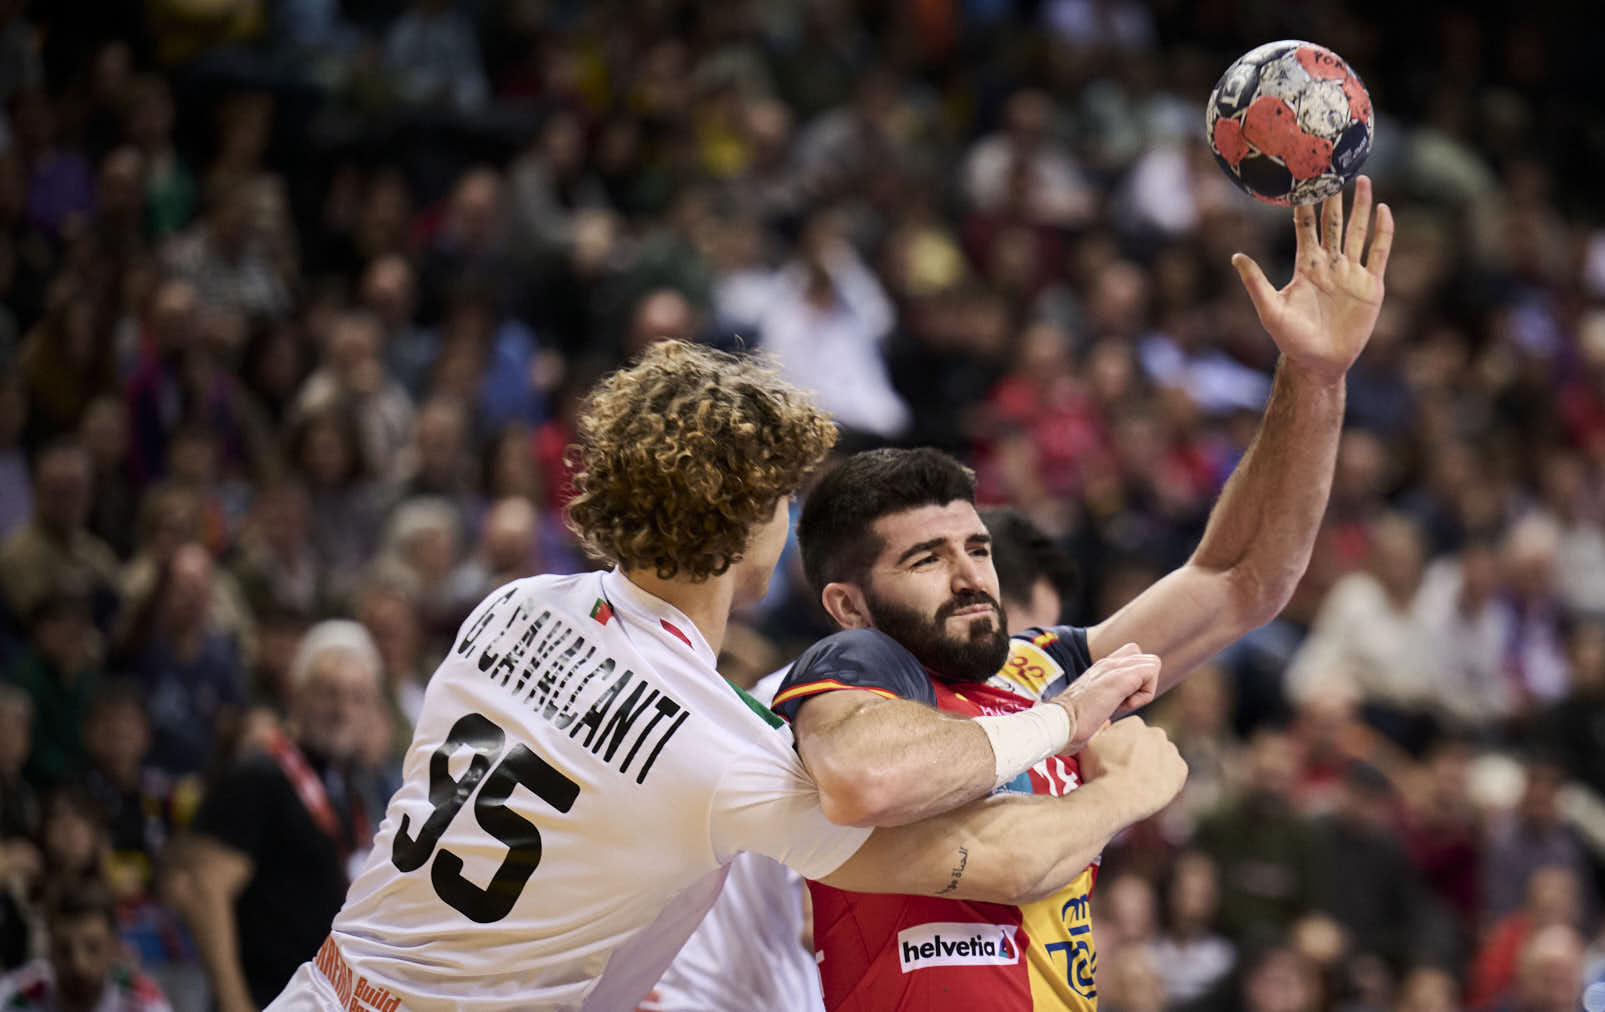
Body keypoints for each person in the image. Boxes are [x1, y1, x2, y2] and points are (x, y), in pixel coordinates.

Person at [265, 342, 1186, 1011]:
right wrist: (1084, 746)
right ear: (751, 521)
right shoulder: (721, 752)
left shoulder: (516, 605)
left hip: (320, 989)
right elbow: (998, 861)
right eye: (784, 500)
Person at [770, 177, 1393, 1009]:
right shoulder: (854, 667)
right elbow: (865, 782)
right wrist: (1116, 788)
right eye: (926, 559)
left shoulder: (1040, 667)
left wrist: (1315, 377)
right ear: (848, 602)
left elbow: (1241, 579)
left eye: (978, 548)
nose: (970, 577)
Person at [651, 507, 1083, 1011]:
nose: (1027, 675)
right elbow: (828, 920)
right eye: (1029, 642)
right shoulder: (860, 719)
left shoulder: (831, 690)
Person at [182, 621, 387, 1011]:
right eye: (329, 693)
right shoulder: (261, 775)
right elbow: (204, 891)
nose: (343, 710)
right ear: (296, 693)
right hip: (266, 998)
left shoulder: (352, 786)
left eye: (357, 698)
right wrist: (235, 1003)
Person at [0, 876, 171, 1011]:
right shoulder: (13, 998)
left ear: (114, 947)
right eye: (64, 949)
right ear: (49, 948)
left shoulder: (144, 1003)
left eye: (93, 948)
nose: (78, 964)